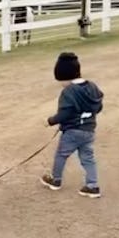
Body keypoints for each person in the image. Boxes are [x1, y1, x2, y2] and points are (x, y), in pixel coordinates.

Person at [40, 52, 104, 198]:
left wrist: (50, 121)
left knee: (61, 155)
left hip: (72, 132)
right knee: (88, 157)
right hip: (89, 130)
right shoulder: (92, 86)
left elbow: (64, 114)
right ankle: (92, 185)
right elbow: (99, 107)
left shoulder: (69, 91)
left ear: (65, 76)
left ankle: (55, 180)